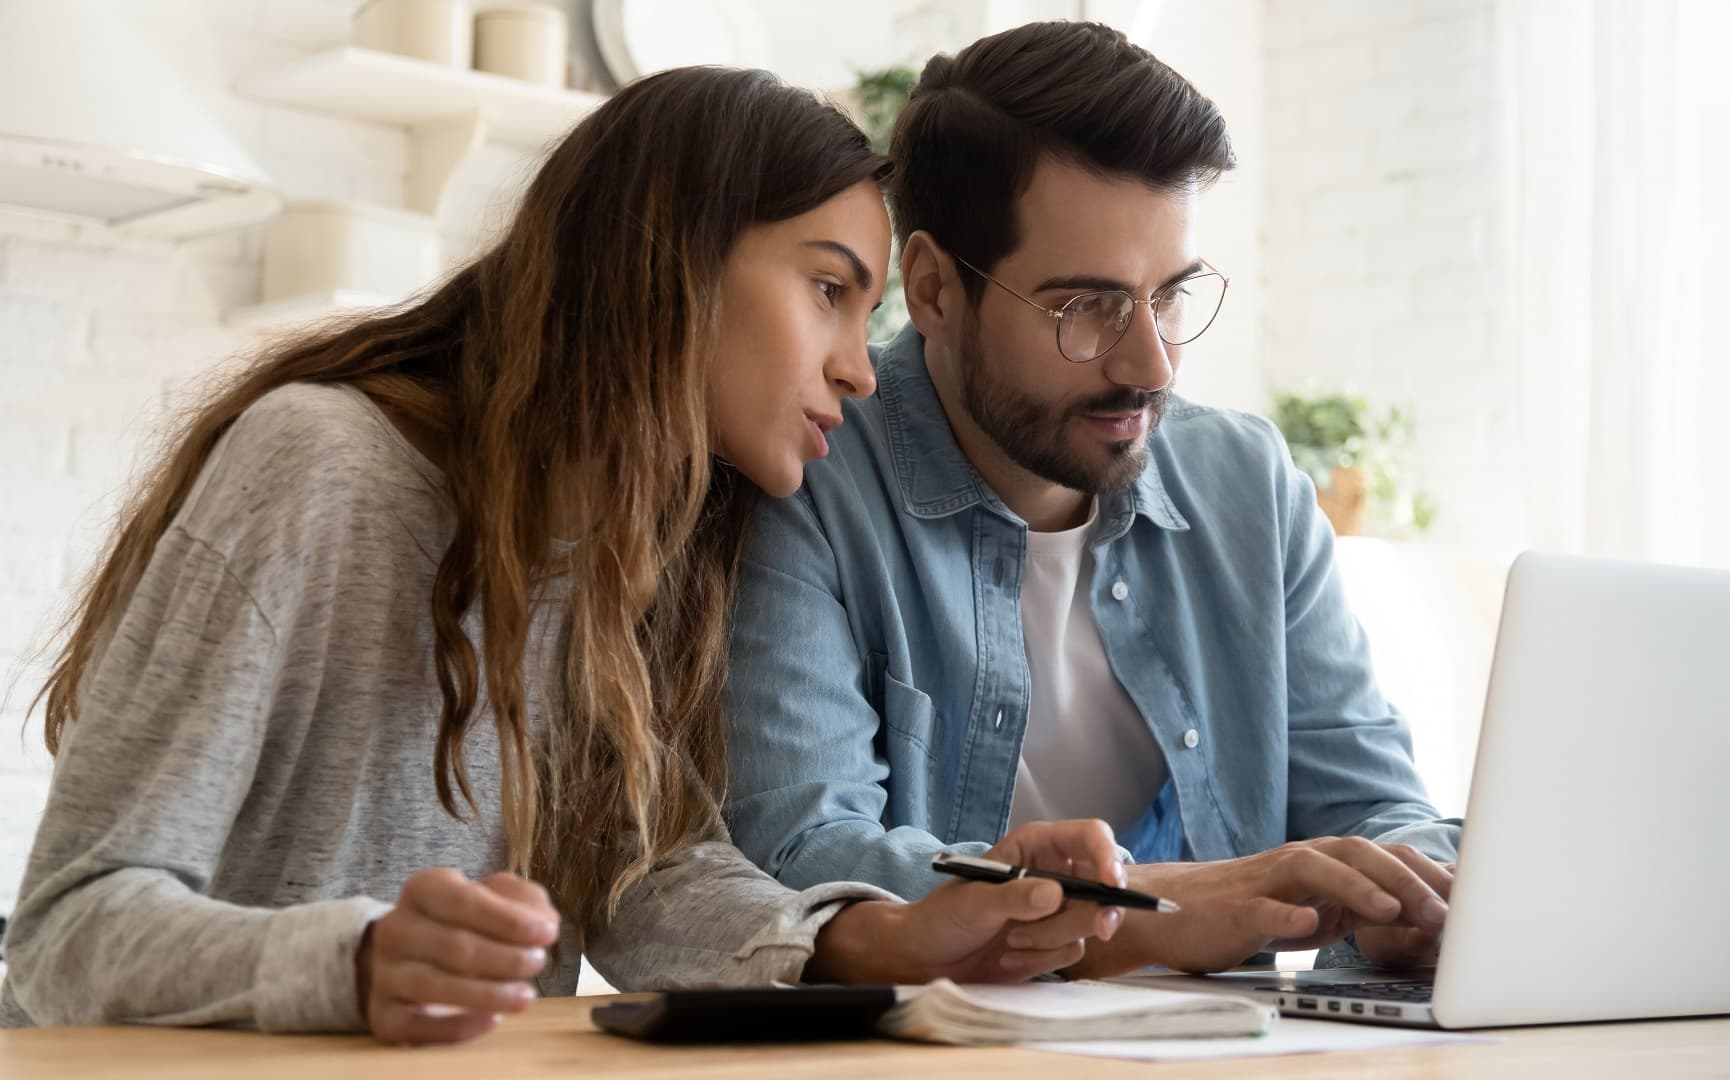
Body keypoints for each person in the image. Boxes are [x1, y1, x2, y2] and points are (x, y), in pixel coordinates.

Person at [0, 66, 1129, 1045]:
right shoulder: (320, 466)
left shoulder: (646, 551)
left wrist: (884, 938)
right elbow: (68, 925)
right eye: (828, 289)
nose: (860, 370)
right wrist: (352, 963)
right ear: (669, 261)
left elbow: (643, 877)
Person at [724, 23, 1461, 978]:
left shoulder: (1248, 486)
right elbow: (802, 854)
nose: (1150, 364)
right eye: (1088, 308)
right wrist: (1146, 914)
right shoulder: (803, 478)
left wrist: (1414, 895)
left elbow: (1373, 803)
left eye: (1172, 297)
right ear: (937, 290)